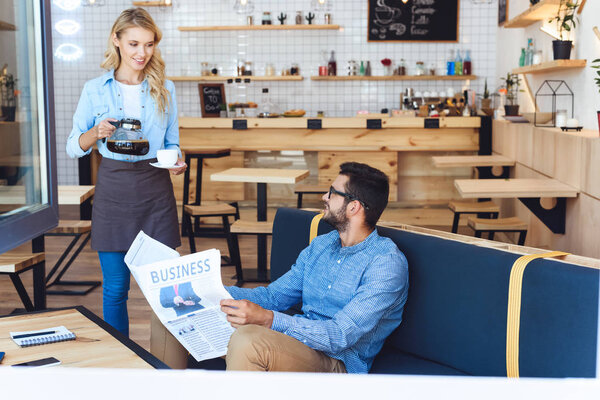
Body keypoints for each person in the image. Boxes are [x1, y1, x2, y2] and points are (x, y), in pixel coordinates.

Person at [221, 162, 409, 373]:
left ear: (353, 207)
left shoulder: (386, 263)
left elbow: (338, 335)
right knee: (184, 321)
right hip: (295, 344)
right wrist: (212, 292)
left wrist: (268, 319)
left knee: (249, 342)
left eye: (332, 192)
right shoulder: (321, 245)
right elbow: (273, 297)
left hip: (338, 362)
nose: (324, 197)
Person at [66, 8, 186, 336]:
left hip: (155, 188)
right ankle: (121, 362)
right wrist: (96, 132)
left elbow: (174, 143)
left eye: (149, 45)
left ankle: (171, 363)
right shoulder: (95, 89)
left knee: (169, 290)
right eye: (134, 44)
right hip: (114, 188)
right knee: (116, 288)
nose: (142, 53)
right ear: (116, 41)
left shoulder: (166, 88)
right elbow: (73, 146)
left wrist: (177, 160)